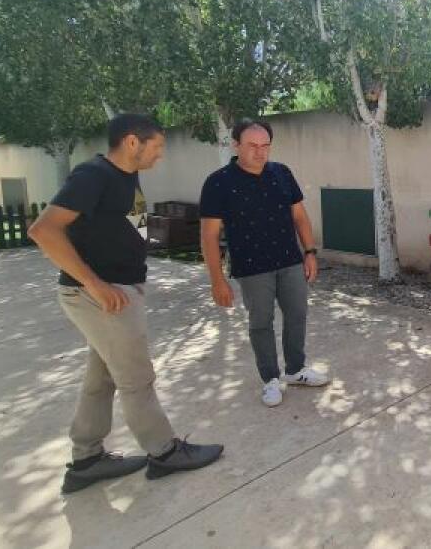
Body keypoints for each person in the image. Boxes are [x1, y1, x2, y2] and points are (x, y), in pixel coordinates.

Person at [29, 114, 223, 494]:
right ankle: (164, 452)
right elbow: (43, 230)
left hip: (118, 290)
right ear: (133, 142)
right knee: (137, 379)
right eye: (158, 146)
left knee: (101, 379)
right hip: (102, 296)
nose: (161, 155)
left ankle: (86, 458)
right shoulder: (93, 175)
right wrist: (95, 284)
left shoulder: (124, 176)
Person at [199, 119, 327, 407]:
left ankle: (295, 370)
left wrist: (309, 252)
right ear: (236, 145)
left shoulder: (281, 173)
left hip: (289, 260)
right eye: (252, 146)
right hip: (252, 266)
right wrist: (216, 280)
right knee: (261, 323)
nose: (260, 152)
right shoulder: (218, 182)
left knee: (297, 314)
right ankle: (270, 379)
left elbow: (299, 216)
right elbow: (208, 235)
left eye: (265, 145)